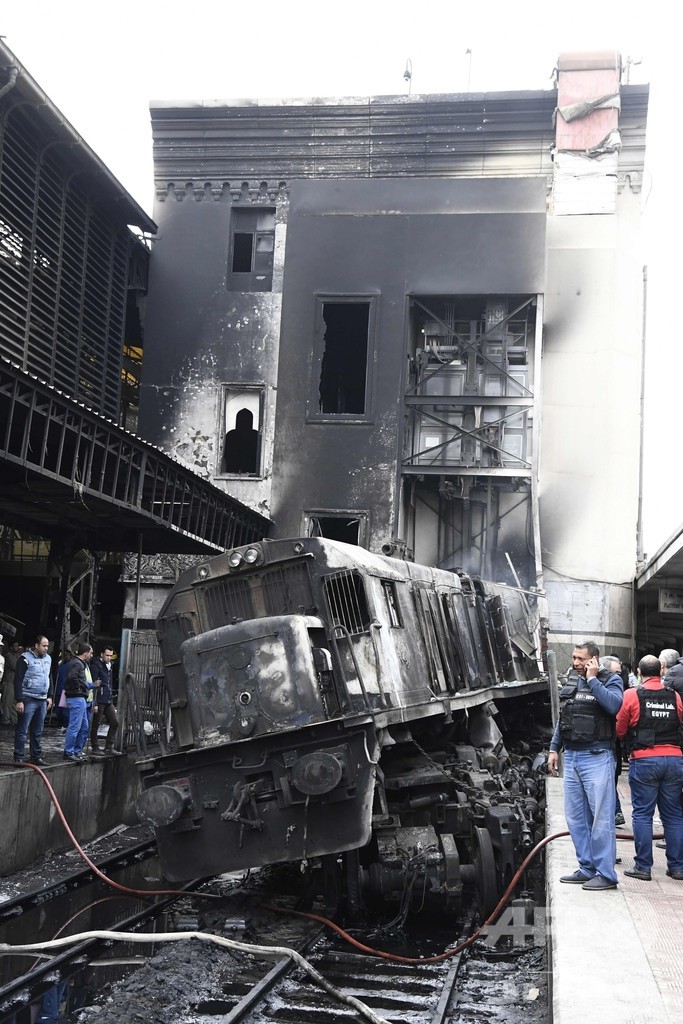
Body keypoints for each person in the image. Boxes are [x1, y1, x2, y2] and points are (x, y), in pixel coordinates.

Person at [547, 640, 624, 890]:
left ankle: (606, 874)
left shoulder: (610, 679)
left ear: (594, 659)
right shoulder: (571, 680)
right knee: (576, 818)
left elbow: (614, 706)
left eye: (581, 659)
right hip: (573, 757)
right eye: (574, 658)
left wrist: (592, 680)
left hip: (597, 756)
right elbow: (564, 718)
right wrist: (553, 748)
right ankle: (587, 867)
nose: (576, 663)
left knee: (601, 820)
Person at [616, 655, 683, 881]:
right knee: (673, 815)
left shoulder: (631, 695)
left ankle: (643, 867)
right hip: (674, 760)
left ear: (638, 671)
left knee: (643, 814)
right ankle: (677, 867)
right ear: (661, 671)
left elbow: (620, 728)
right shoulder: (674, 696)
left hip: (644, 760)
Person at [13, 635, 53, 766]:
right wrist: (19, 699)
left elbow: (49, 677)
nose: (46, 648)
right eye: (44, 645)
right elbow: (18, 679)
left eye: (47, 646)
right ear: (36, 645)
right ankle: (18, 757)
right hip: (28, 698)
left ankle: (36, 756)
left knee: (37, 730)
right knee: (22, 729)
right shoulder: (25, 658)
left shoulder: (48, 659)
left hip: (42, 699)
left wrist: (50, 696)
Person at [63, 643, 95, 763]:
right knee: (75, 726)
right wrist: (80, 688)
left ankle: (76, 751)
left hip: (79, 697)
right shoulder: (77, 663)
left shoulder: (79, 663)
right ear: (85, 653)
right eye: (90, 653)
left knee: (84, 726)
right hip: (77, 697)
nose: (91, 655)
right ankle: (69, 752)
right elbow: (73, 678)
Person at [89, 646, 122, 755]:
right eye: (107, 655)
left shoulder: (109, 665)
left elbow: (109, 682)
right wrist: (96, 702)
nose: (109, 658)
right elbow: (95, 684)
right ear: (102, 654)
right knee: (96, 723)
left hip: (108, 698)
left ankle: (108, 746)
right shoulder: (96, 665)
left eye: (110, 655)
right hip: (100, 698)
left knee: (115, 722)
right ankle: (95, 746)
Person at [1, 639, 24, 726]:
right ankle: (6, 719)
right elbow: (15, 666)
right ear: (11, 647)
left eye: (18, 646)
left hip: (16, 682)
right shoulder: (9, 656)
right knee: (7, 701)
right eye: (15, 646)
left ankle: (14, 719)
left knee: (15, 702)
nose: (17, 648)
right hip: (9, 681)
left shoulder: (18, 655)